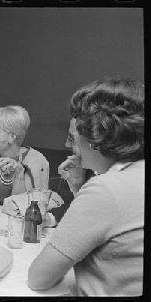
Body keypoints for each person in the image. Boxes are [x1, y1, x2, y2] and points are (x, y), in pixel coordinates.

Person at [28, 76, 144, 296]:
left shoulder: (107, 188)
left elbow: (39, 278)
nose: (67, 145)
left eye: (73, 138)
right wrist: (79, 186)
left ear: (96, 138)